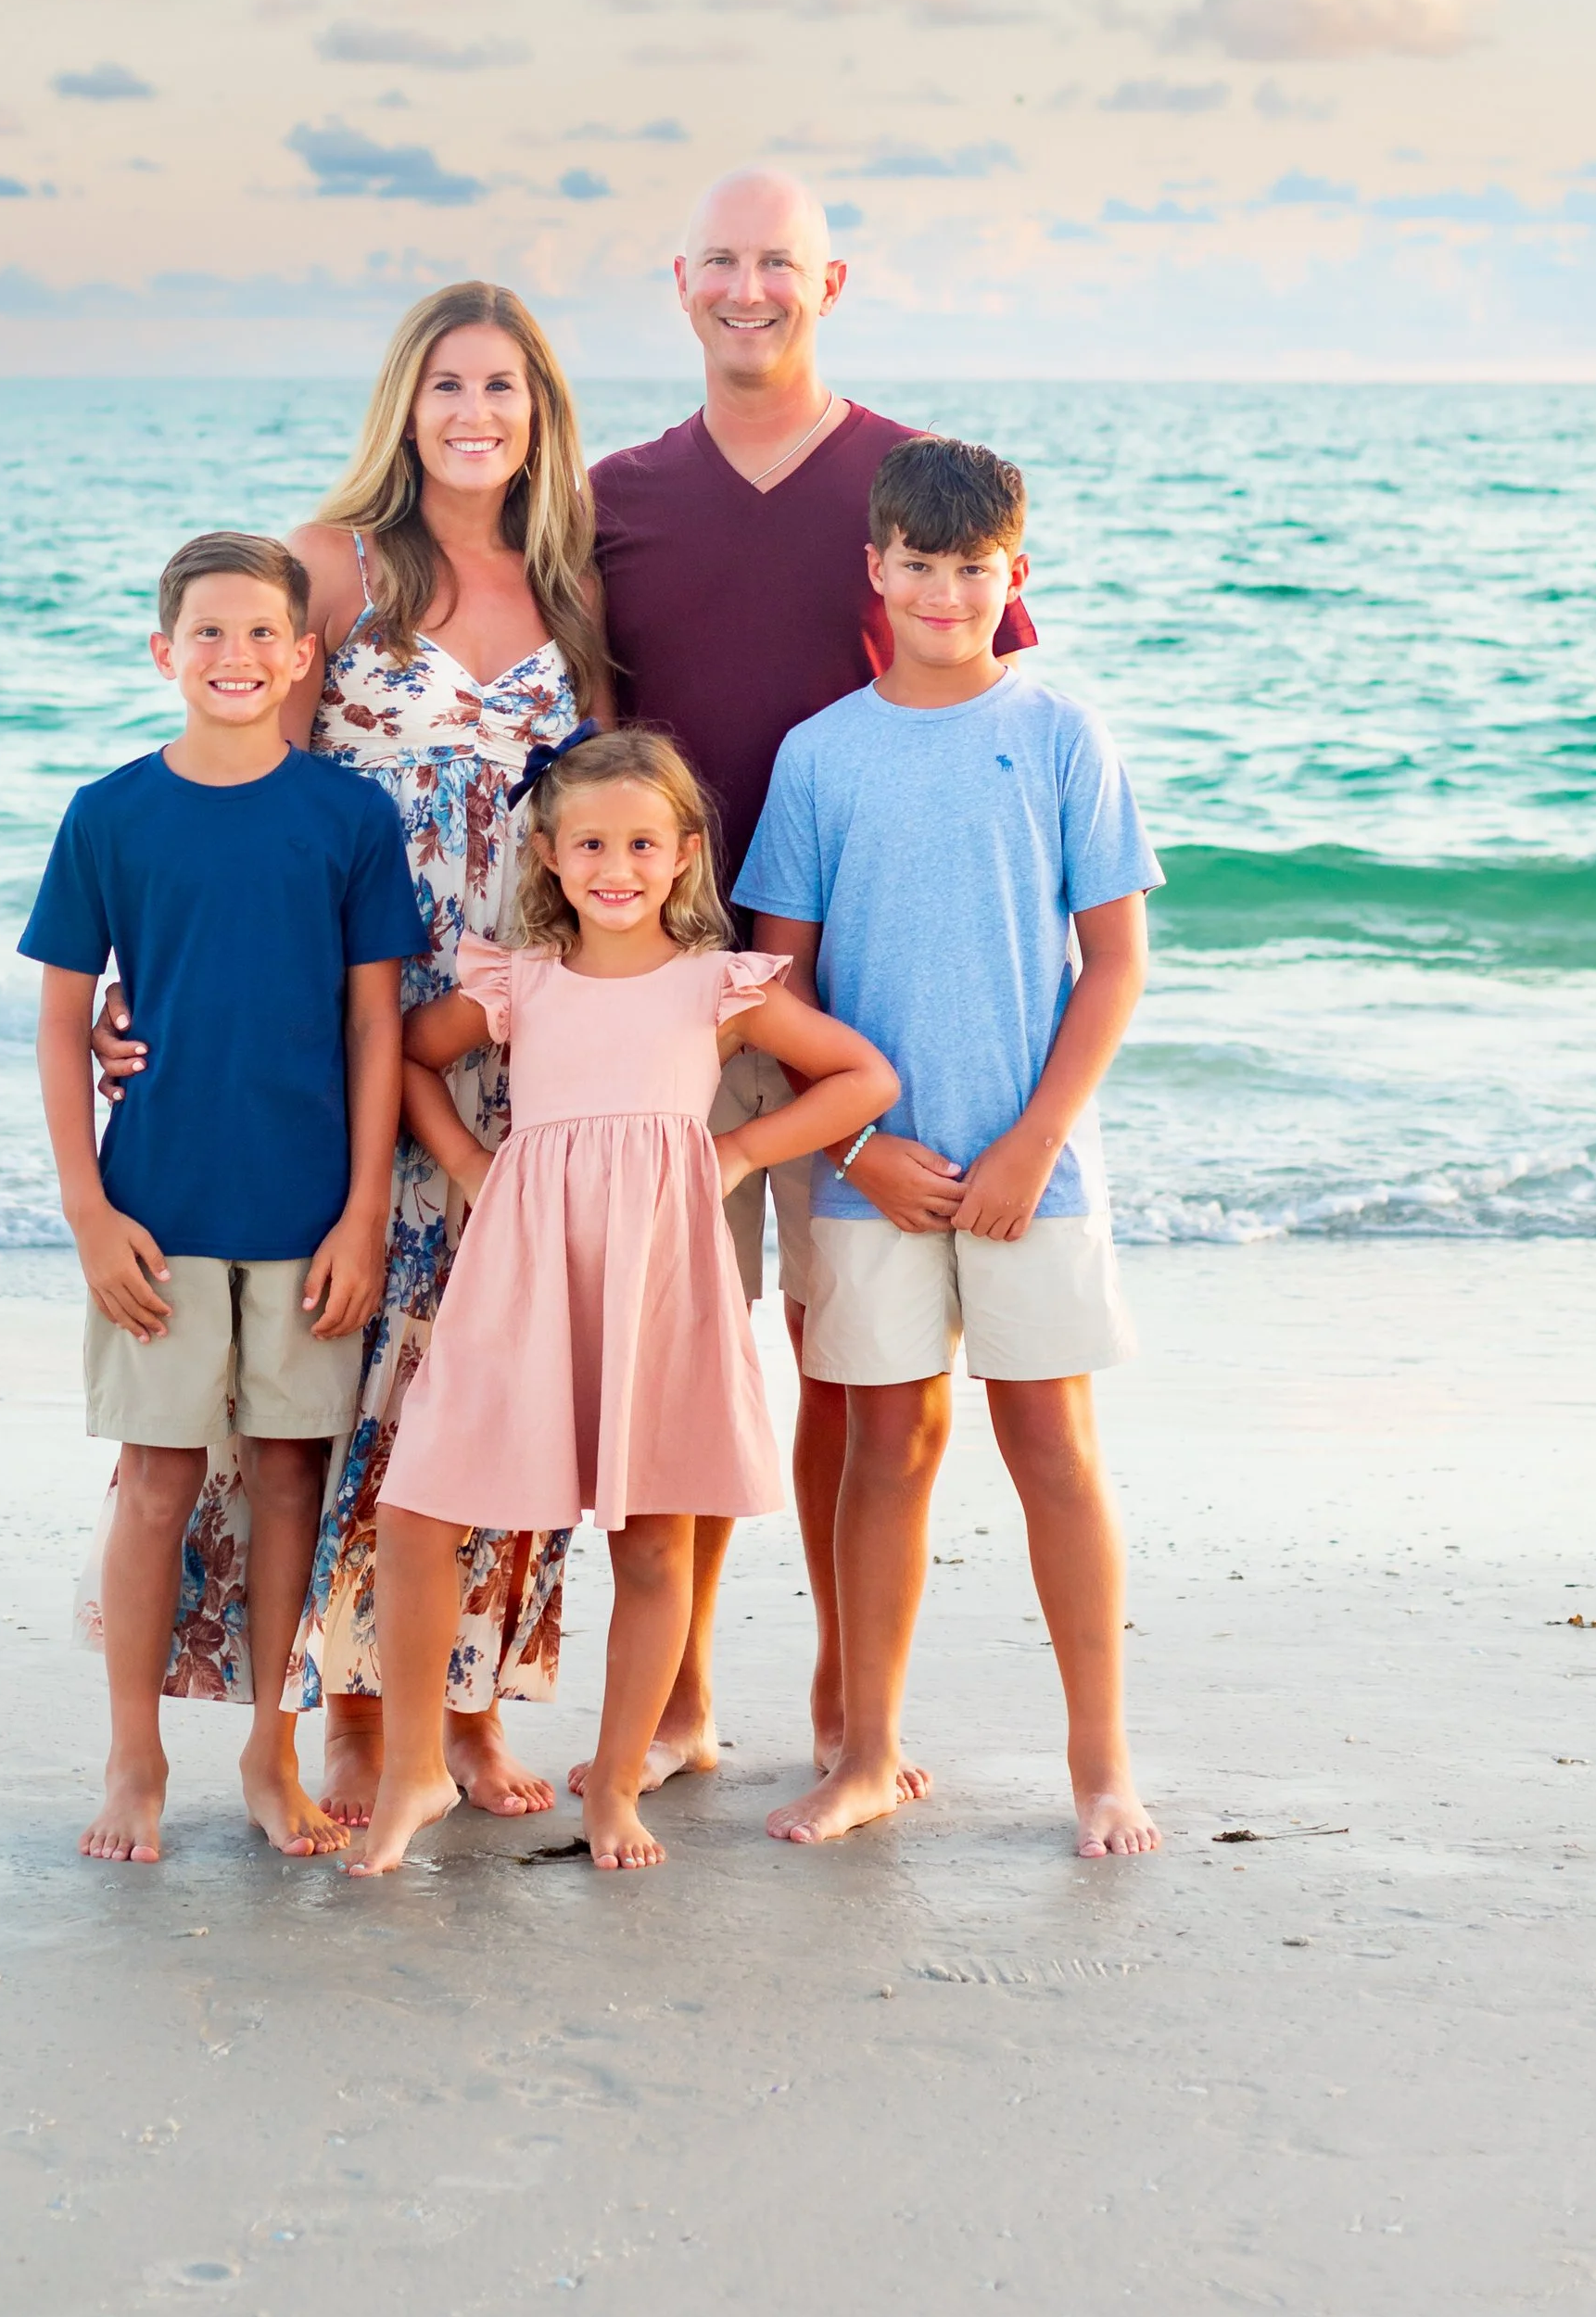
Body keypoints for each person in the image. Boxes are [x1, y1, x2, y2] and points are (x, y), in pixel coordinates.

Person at [91, 284, 613, 1827]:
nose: (474, 412)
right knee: (343, 1381)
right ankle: (332, 1716)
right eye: (447, 383)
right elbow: (225, 776)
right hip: (345, 1033)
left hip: (525, 1038)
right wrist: (146, 991)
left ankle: (467, 1705)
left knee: (502, 1379)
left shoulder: (573, 588)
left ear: (540, 411)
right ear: (405, 400)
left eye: (503, 387)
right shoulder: (328, 569)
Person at [583, 166, 1035, 1795]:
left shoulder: (907, 489)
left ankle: (855, 1723)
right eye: (723, 260)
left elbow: (991, 726)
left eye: (780, 261)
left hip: (854, 1018)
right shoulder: (616, 493)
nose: (750, 287)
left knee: (860, 1376)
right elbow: (549, 737)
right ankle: (685, 1697)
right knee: (681, 1361)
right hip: (661, 1003)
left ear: (829, 282)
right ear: (680, 280)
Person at [349, 729, 898, 1876]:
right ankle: (410, 1769)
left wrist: (741, 1148)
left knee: (653, 1538)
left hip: (660, 1265)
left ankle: (614, 1789)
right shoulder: (521, 980)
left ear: (684, 854)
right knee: (417, 1511)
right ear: (548, 856)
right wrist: (462, 1161)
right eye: (591, 842)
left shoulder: (719, 987)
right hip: (521, 1262)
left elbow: (863, 1077)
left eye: (643, 844)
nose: (617, 865)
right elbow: (405, 1057)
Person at [734, 437, 1162, 1855]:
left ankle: (1100, 1764)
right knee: (886, 1446)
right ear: (876, 568)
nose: (940, 591)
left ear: (1013, 577)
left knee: (1052, 1443)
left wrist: (1039, 1138)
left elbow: (1112, 964)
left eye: (970, 569)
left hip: (1031, 1165)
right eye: (915, 565)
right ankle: (866, 1751)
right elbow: (773, 988)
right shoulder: (820, 755)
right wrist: (856, 1151)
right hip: (871, 1177)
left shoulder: (1059, 738)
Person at [22, 532, 425, 1865]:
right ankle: (133, 1754)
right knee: (155, 1480)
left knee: (294, 1477)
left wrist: (366, 1208)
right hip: (160, 1212)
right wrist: (88, 1208)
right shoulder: (110, 812)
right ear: (162, 651)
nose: (237, 656)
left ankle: (272, 1746)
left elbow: (378, 1030)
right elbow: (63, 1020)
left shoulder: (347, 819)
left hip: (311, 1215)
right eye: (207, 632)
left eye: (265, 632)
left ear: (306, 653)